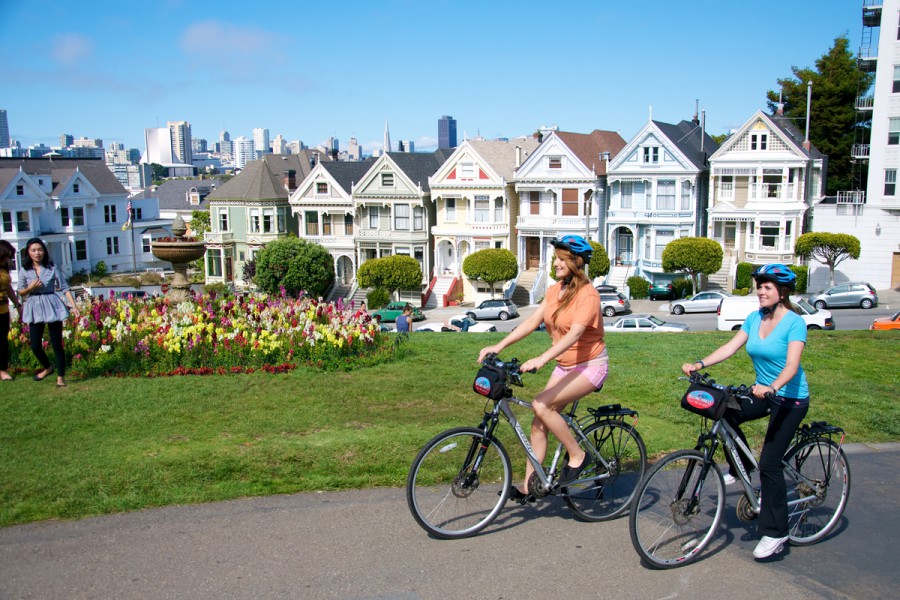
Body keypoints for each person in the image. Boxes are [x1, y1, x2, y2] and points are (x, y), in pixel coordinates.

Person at [681, 263, 809, 560]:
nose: (760, 291)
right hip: (762, 391)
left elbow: (791, 366)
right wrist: (699, 364)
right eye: (759, 286)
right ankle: (742, 468)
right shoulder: (754, 319)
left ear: (782, 292)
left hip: (790, 398)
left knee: (771, 464)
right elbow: (731, 347)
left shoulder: (794, 323)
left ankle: (776, 533)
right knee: (724, 410)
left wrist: (773, 386)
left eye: (767, 287)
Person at [478, 235, 607, 502]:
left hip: (590, 366)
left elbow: (574, 335)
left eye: (561, 259)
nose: (556, 264)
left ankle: (577, 455)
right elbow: (530, 322)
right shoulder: (555, 290)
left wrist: (542, 359)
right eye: (556, 258)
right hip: (566, 366)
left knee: (541, 404)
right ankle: (530, 486)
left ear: (576, 262)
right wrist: (498, 346)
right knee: (539, 422)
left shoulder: (588, 295)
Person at [17, 238, 80, 388]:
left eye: (40, 250)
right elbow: (21, 291)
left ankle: (60, 377)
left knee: (56, 343)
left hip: (52, 305)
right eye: (34, 250)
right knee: (35, 345)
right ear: (29, 252)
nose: (37, 253)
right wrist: (31, 287)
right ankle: (48, 367)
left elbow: (64, 287)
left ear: (44, 251)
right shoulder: (24, 270)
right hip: (35, 307)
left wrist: (74, 306)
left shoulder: (52, 267)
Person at [0, 240, 22, 381]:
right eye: (5, 256)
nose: (8, 259)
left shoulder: (4, 269)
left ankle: (2, 370)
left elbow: (8, 288)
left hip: (3, 310)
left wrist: (17, 304)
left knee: (2, 341)